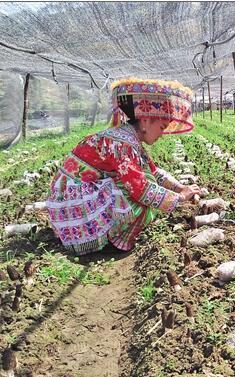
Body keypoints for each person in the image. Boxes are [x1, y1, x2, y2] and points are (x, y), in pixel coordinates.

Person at [46, 77, 201, 255]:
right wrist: (179, 198)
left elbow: (154, 172)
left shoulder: (128, 139)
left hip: (74, 196)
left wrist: (181, 188)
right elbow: (141, 190)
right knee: (139, 196)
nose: (162, 133)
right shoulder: (123, 143)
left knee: (145, 180)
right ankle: (113, 241)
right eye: (162, 127)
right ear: (145, 121)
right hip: (70, 202)